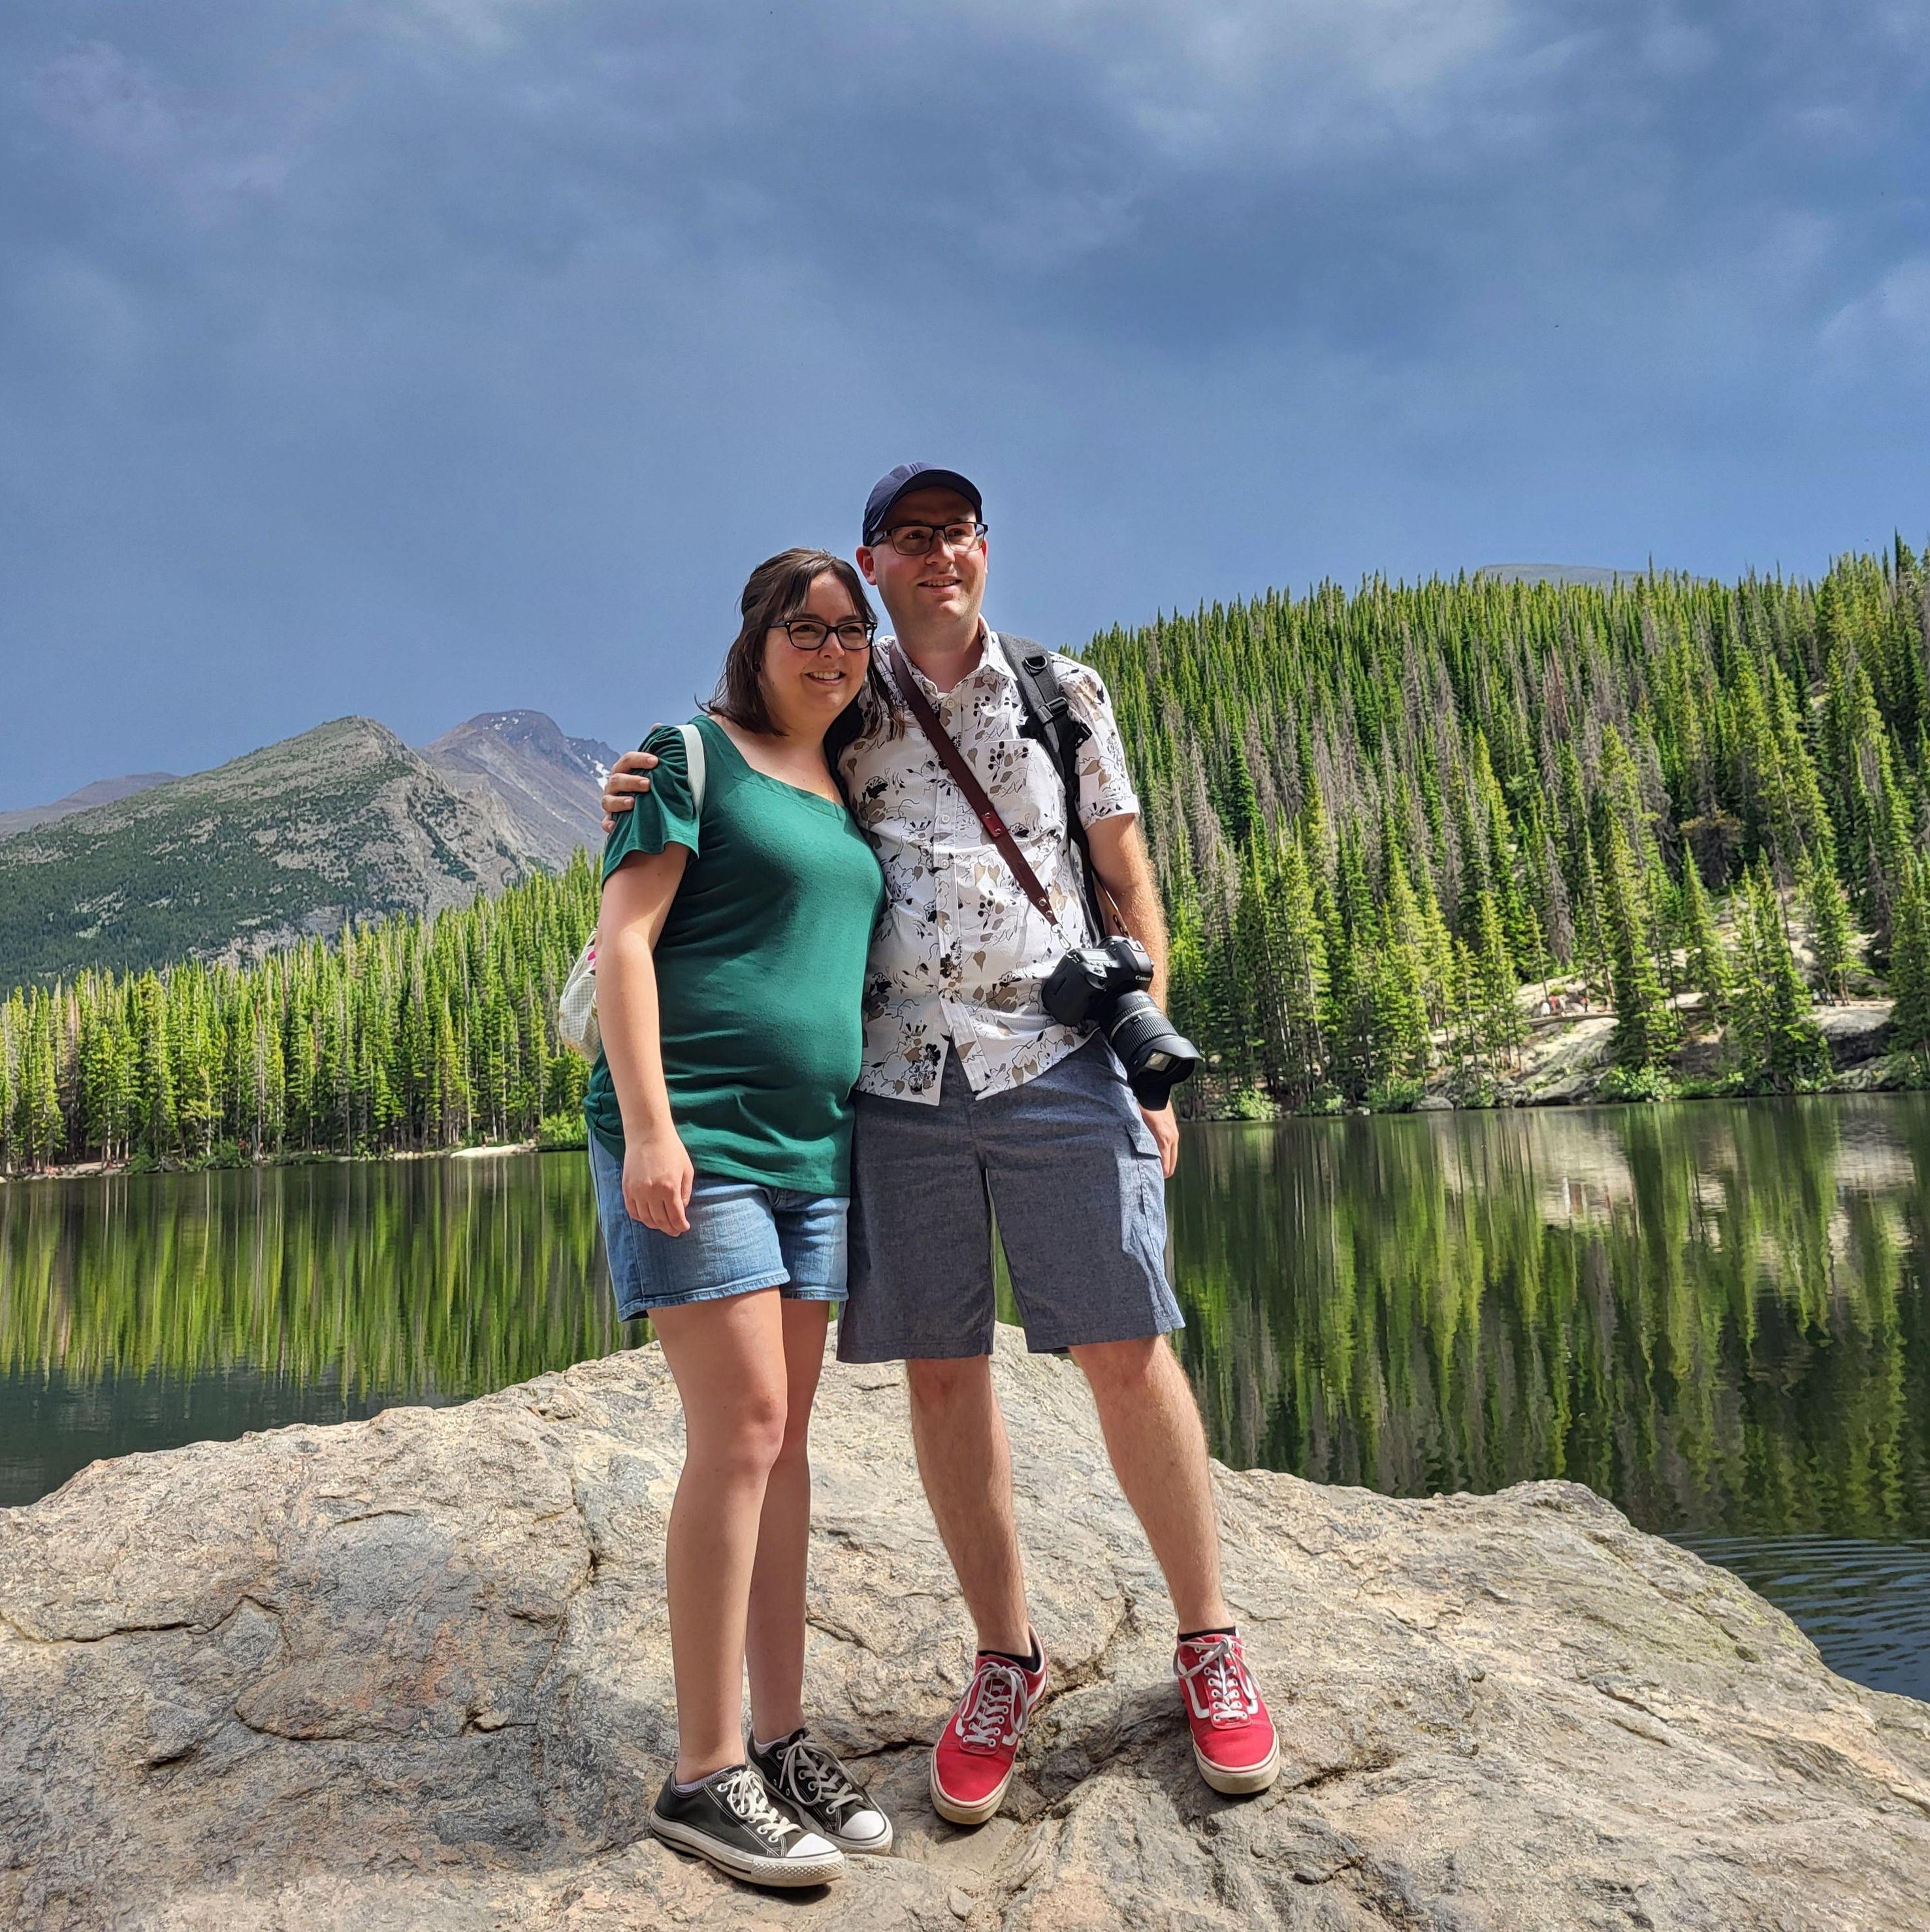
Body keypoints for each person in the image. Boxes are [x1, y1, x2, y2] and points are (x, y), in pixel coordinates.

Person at [602, 466, 1279, 1828]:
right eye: (906, 540)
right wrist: (632, 783)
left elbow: (1124, 868)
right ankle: (1002, 1659)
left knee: (1123, 1346)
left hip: (1058, 1061)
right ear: (875, 559)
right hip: (895, 1086)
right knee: (939, 1372)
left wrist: (1155, 1055)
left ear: (982, 547)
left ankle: (1206, 1640)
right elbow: (746, 784)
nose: (933, 557)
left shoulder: (1059, 690)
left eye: (952, 533)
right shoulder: (844, 709)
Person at [585, 547, 895, 1889]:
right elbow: (627, 938)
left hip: (814, 1152)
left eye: (849, 630)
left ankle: (778, 1741)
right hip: (696, 1137)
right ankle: (700, 1773)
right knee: (745, 1430)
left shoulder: (849, 789)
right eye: (802, 626)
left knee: (789, 1448)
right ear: (756, 640)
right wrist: (652, 1128)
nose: (827, 648)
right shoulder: (689, 752)